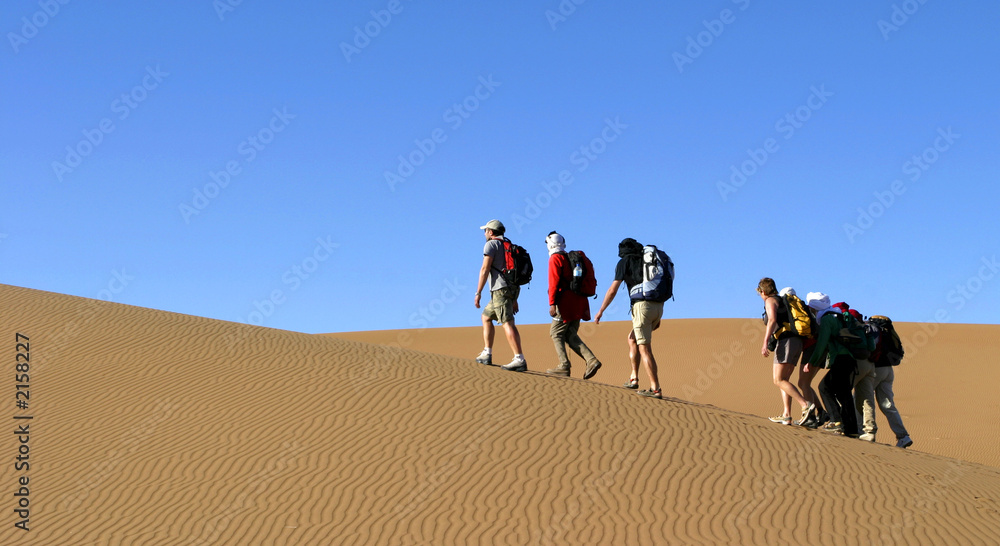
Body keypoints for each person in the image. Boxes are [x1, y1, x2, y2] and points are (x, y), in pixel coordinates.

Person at [594, 238, 662, 398]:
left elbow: (613, 290)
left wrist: (601, 310)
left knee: (644, 348)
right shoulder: (648, 260)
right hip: (658, 306)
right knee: (632, 339)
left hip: (642, 307)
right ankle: (634, 378)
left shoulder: (624, 262)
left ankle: (655, 389)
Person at [544, 232, 603, 379]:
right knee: (570, 335)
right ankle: (591, 360)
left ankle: (564, 365)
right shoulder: (571, 258)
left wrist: (552, 303)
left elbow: (553, 283)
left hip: (565, 302)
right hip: (579, 301)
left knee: (556, 333)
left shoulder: (555, 258)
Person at [757, 279, 816, 425]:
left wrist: (765, 342)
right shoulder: (784, 301)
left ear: (762, 291)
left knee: (778, 379)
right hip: (797, 342)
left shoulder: (770, 300)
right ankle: (786, 415)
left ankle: (805, 405)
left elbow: (772, 320)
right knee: (784, 380)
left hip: (786, 341)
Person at [473, 220, 527, 371]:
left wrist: (478, 292)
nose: (484, 233)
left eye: (485, 231)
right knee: (486, 317)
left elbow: (485, 268)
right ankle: (487, 353)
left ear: (491, 232)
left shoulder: (491, 245)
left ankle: (519, 359)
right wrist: (514, 299)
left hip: (500, 290)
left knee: (507, 322)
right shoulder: (509, 246)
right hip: (511, 289)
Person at [806, 292, 859, 437]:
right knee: (844, 394)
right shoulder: (837, 316)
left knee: (824, 387)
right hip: (849, 359)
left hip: (841, 358)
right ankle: (851, 429)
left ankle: (836, 422)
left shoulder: (827, 319)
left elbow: (822, 343)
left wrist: (811, 362)